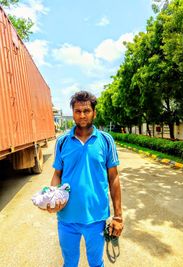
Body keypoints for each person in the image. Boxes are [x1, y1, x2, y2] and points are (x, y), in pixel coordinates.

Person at [48, 91, 123, 267]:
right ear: (73, 113)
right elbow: (57, 174)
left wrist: (118, 217)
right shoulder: (62, 142)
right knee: (70, 263)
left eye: (87, 110)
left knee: (96, 263)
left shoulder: (106, 140)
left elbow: (113, 177)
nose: (82, 115)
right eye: (78, 111)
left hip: (96, 218)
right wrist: (52, 199)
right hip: (67, 218)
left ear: (94, 113)